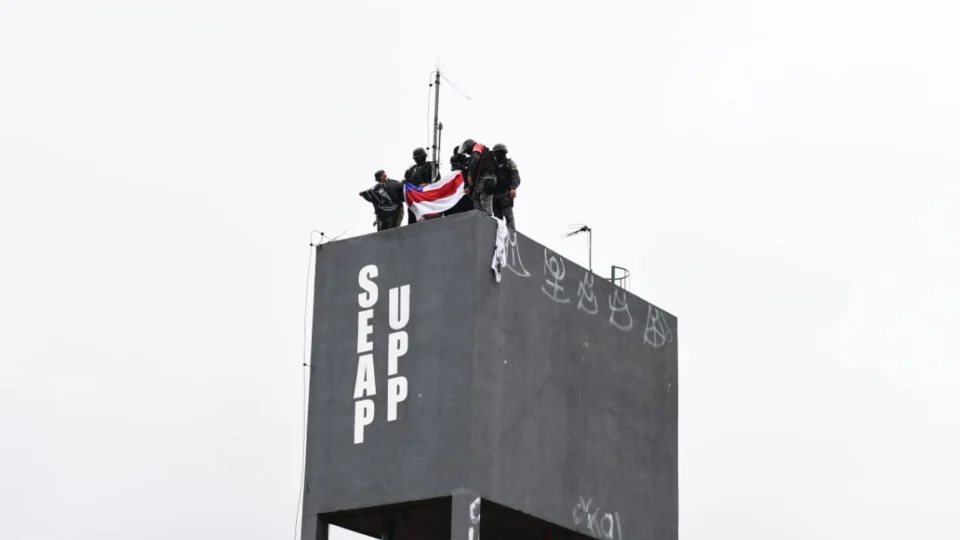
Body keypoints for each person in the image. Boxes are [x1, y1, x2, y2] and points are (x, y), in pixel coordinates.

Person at [459, 138, 497, 217]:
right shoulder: (483, 155)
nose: (468, 154)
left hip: (486, 179)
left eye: (467, 151)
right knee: (476, 201)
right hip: (481, 181)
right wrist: (469, 187)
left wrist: (469, 175)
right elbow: (477, 173)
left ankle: (488, 220)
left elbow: (475, 160)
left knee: (485, 201)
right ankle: (480, 219)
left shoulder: (478, 147)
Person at [403, 147, 435, 224]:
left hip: (426, 198)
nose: (419, 160)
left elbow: (436, 181)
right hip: (414, 199)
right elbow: (406, 182)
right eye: (417, 158)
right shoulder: (410, 171)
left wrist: (428, 185)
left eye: (421, 158)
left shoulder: (431, 166)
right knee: (413, 221)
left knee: (428, 220)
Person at [492, 143, 521, 228]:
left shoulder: (509, 163)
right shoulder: (493, 165)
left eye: (499, 153)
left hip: (505, 193)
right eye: (496, 153)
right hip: (495, 195)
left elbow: (515, 177)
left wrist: (513, 188)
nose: (497, 155)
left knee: (509, 217)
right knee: (497, 219)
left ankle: (512, 236)